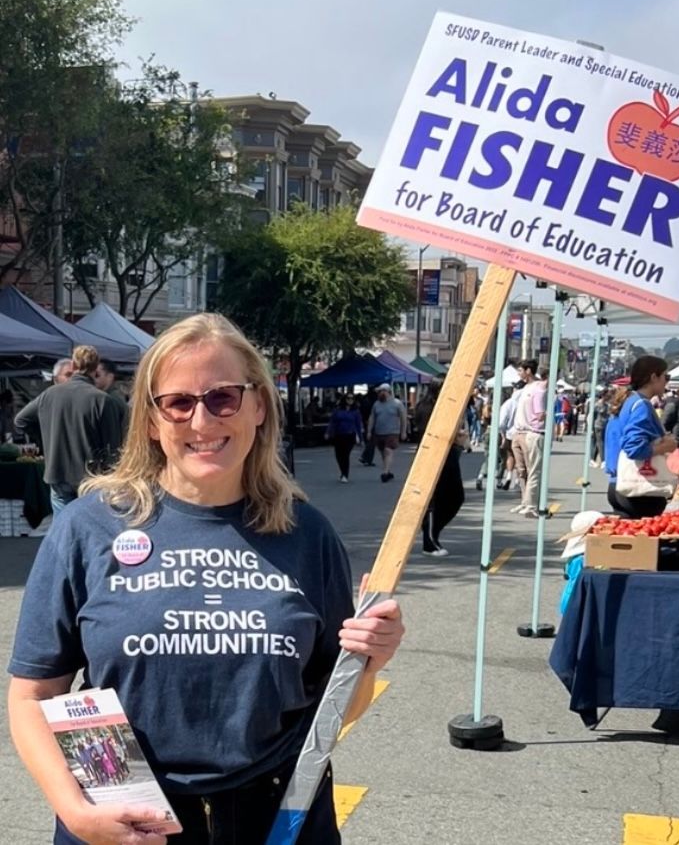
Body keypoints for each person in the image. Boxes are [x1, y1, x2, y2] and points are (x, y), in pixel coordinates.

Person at [7, 313, 403, 845]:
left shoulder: (306, 533)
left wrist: (369, 662)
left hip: (278, 809)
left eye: (223, 398)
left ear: (258, 405)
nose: (201, 422)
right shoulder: (89, 526)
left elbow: (334, 704)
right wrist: (75, 812)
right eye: (178, 403)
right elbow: (32, 696)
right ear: (150, 419)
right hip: (123, 810)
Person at [14, 346, 128, 516]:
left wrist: (46, 442)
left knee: (63, 529)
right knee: (91, 529)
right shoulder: (103, 400)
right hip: (92, 476)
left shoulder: (49, 394)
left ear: (73, 365)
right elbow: (112, 447)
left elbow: (20, 420)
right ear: (96, 368)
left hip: (58, 471)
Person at [605, 356, 677, 518]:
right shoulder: (642, 405)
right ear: (654, 377)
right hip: (640, 489)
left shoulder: (628, 401)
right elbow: (633, 447)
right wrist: (664, 447)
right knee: (646, 541)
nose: (667, 382)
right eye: (666, 377)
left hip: (619, 483)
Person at [421, 428, 467, 558]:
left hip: (449, 448)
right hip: (435, 449)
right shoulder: (429, 408)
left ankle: (433, 534)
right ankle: (429, 543)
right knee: (433, 501)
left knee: (456, 497)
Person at [511, 359, 548, 517]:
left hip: (531, 432)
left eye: (520, 370)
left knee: (533, 471)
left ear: (528, 371)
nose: (519, 373)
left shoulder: (538, 389)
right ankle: (525, 502)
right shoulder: (526, 387)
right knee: (522, 470)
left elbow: (540, 414)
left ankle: (531, 504)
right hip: (519, 432)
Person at [368, 382, 408, 484]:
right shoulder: (376, 404)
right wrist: (369, 431)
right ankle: (388, 471)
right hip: (379, 432)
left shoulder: (397, 403)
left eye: (383, 391)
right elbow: (372, 418)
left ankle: (385, 473)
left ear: (388, 392)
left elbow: (403, 418)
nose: (381, 393)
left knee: (388, 451)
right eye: (379, 391)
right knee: (383, 452)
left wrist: (403, 432)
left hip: (392, 432)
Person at [326, 394, 363, 483]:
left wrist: (361, 438)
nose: (350, 400)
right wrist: (328, 432)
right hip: (338, 435)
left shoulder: (355, 412)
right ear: (344, 399)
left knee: (345, 454)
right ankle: (342, 471)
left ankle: (345, 474)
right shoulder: (337, 411)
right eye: (348, 398)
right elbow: (332, 422)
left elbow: (358, 425)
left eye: (352, 398)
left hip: (350, 435)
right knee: (339, 455)